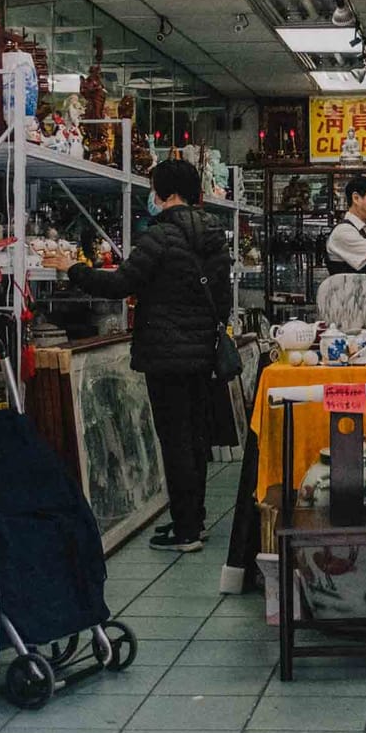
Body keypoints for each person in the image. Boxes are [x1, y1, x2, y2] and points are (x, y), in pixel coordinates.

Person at [65, 158, 231, 552]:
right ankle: (194, 520)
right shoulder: (214, 235)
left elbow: (120, 284)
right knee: (195, 438)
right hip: (203, 353)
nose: (150, 196)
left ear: (166, 193)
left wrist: (73, 269)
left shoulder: (159, 236)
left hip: (165, 356)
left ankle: (186, 531)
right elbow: (222, 296)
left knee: (175, 441)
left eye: (153, 188)